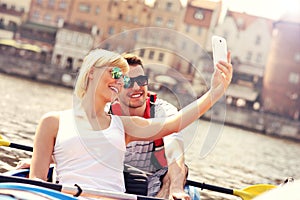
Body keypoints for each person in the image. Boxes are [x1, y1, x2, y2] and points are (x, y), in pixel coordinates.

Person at [29, 48, 232, 199]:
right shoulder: (52, 122)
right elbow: (35, 184)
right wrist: (45, 159)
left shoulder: (124, 126)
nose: (120, 82)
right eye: (117, 75)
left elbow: (176, 123)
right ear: (91, 72)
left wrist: (215, 92)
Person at [111, 53, 192, 199]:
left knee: (179, 171)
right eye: (128, 82)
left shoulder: (164, 112)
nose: (137, 87)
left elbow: (175, 152)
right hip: (113, 179)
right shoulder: (105, 112)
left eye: (141, 80)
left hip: (155, 182)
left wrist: (176, 187)